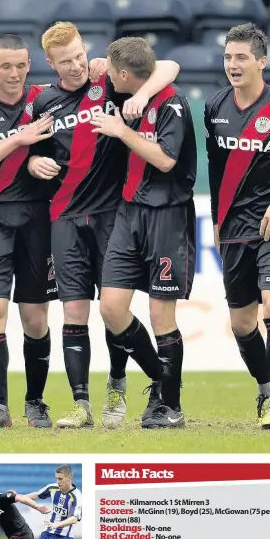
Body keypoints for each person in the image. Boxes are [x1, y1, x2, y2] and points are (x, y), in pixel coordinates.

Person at [28, 22, 180, 429]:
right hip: (64, 217)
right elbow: (31, 149)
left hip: (113, 214)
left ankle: (117, 381)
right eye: (66, 61)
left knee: (114, 310)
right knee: (74, 310)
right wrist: (31, 161)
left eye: (80, 55)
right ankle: (81, 404)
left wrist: (142, 93)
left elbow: (168, 66)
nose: (77, 65)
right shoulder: (42, 101)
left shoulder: (108, 83)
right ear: (50, 63)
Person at [204, 23, 270, 429]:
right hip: (233, 230)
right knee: (242, 324)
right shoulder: (214, 108)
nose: (233, 64)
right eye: (228, 57)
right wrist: (216, 217)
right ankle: (265, 388)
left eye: (241, 57)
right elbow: (215, 168)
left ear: (261, 62)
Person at [91, 37, 197, 428]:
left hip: (167, 216)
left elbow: (166, 160)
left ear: (124, 75)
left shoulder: (171, 103)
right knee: (111, 307)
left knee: (160, 314)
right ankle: (160, 377)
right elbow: (165, 63)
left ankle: (169, 404)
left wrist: (121, 131)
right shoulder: (129, 94)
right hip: (129, 210)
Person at [0, 34, 55, 429]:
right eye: (6, 66)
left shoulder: (44, 101)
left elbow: (65, 148)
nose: (15, 73)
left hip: (39, 218)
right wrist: (20, 140)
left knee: (35, 318)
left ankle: (36, 402)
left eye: (22, 65)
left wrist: (39, 158)